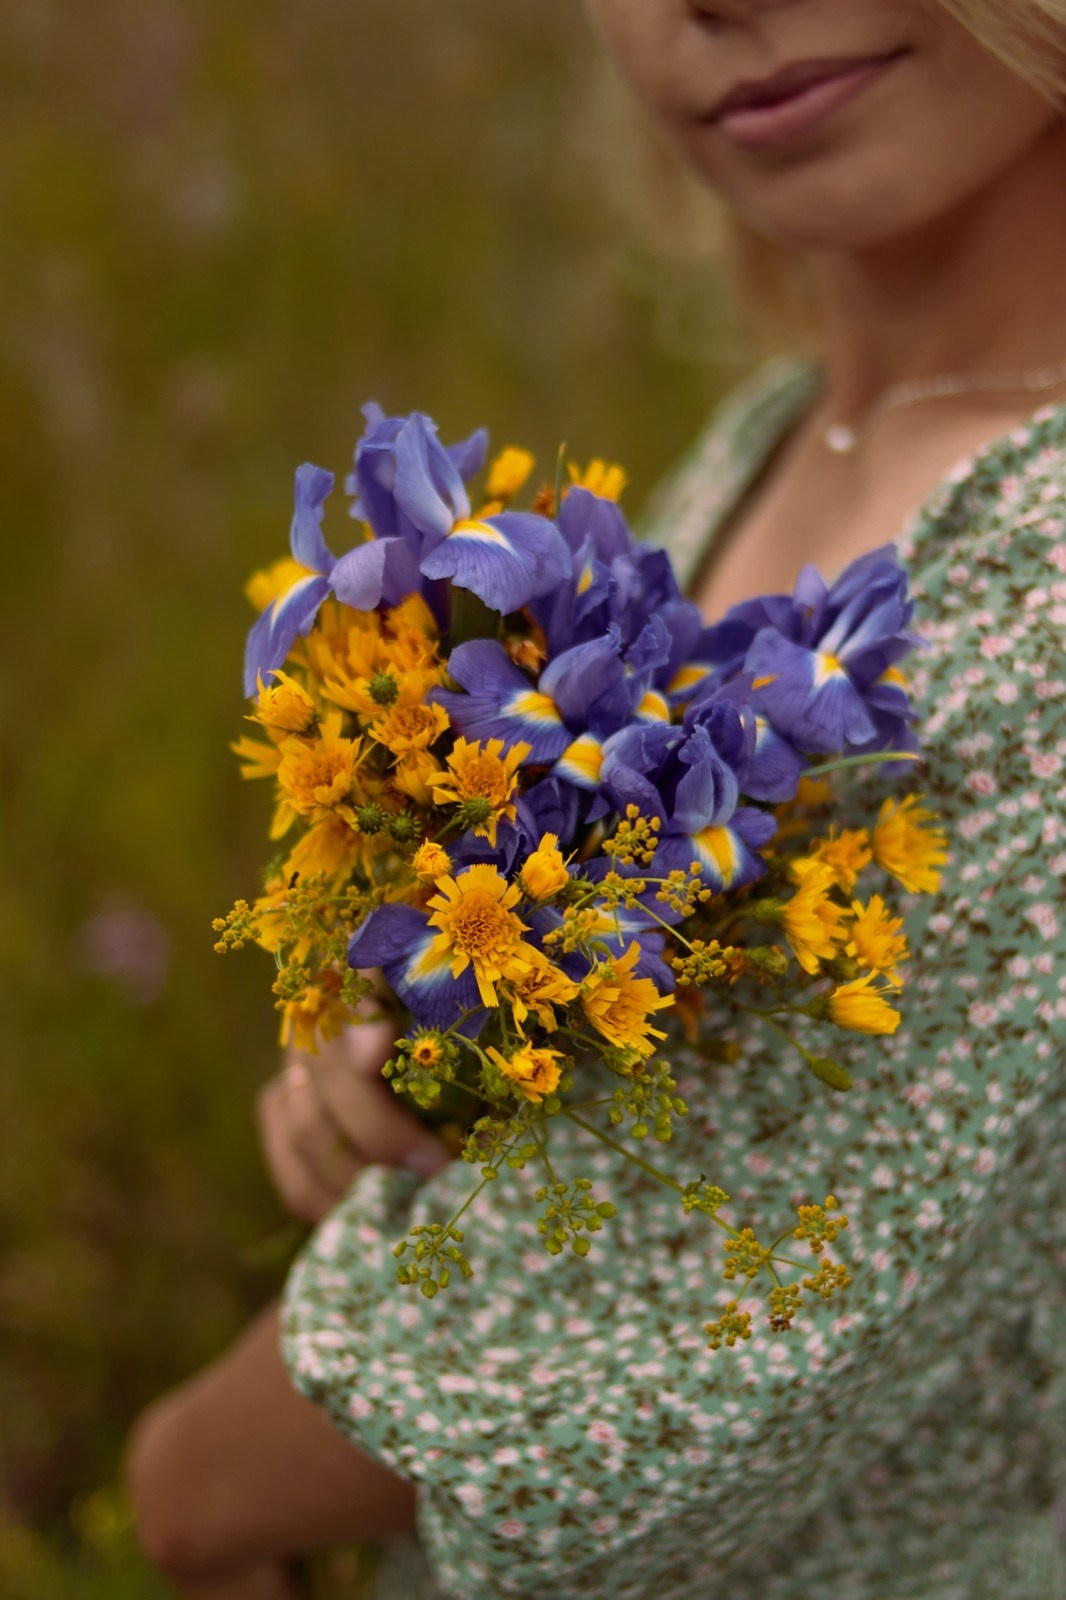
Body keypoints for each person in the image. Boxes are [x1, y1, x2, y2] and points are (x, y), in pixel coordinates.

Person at [126, 2, 1066, 1596]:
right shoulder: (785, 438)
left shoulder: (1037, 576)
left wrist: (182, 1480)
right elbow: (684, 1055)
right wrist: (440, 1045)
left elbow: (656, 1381)